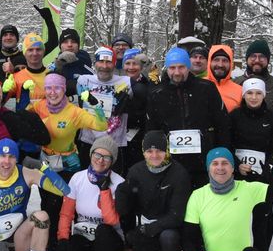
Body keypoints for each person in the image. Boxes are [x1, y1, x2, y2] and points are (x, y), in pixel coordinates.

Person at [28, 72, 108, 251]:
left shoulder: (73, 111)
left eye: (57, 88)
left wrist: (94, 103)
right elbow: (22, 120)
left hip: (69, 167)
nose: (52, 92)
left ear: (64, 90)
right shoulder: (39, 107)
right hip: (46, 165)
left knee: (69, 209)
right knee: (48, 208)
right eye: (48, 88)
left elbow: (101, 125)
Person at [116, 130, 191, 251]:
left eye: (159, 150)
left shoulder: (179, 174)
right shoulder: (136, 171)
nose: (155, 155)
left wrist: (149, 229)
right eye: (149, 151)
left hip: (169, 229)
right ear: (144, 152)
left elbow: (177, 215)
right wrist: (121, 194)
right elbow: (127, 208)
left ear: (167, 150)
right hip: (146, 231)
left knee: (169, 236)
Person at [145, 47, 230, 189]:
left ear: (188, 67)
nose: (177, 72)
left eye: (181, 67)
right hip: (171, 163)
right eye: (172, 68)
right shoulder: (156, 93)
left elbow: (223, 124)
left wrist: (222, 154)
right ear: (167, 68)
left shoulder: (206, 88)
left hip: (203, 161)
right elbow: (152, 130)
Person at [228, 77, 273, 251]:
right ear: (243, 95)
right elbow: (227, 144)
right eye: (250, 93)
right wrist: (236, 166)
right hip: (238, 176)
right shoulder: (234, 117)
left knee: (262, 219)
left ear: (264, 95)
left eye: (258, 93)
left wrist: (267, 167)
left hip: (263, 177)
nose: (253, 97)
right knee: (237, 218)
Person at [55, 136, 126, 251]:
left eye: (106, 157)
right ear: (91, 155)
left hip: (110, 239)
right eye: (97, 155)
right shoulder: (77, 178)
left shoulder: (119, 183)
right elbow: (66, 214)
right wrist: (63, 239)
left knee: (103, 230)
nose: (100, 160)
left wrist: (104, 190)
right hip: (85, 235)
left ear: (112, 161)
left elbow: (111, 220)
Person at [74, 47, 131, 166]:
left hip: (115, 144)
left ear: (114, 64)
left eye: (109, 62)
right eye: (101, 61)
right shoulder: (84, 80)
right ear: (95, 63)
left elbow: (147, 89)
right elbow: (57, 86)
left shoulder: (126, 82)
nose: (104, 66)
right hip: (88, 142)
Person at [3, 32, 49, 110]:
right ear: (24, 53)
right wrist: (4, 92)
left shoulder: (52, 75)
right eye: (30, 50)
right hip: (24, 121)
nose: (35, 53)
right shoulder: (15, 77)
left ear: (43, 51)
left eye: (38, 49)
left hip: (48, 121)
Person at [207, 44, 242, 113]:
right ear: (210, 62)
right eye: (216, 60)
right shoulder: (197, 85)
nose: (220, 65)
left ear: (231, 64)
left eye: (225, 61)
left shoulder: (240, 91)